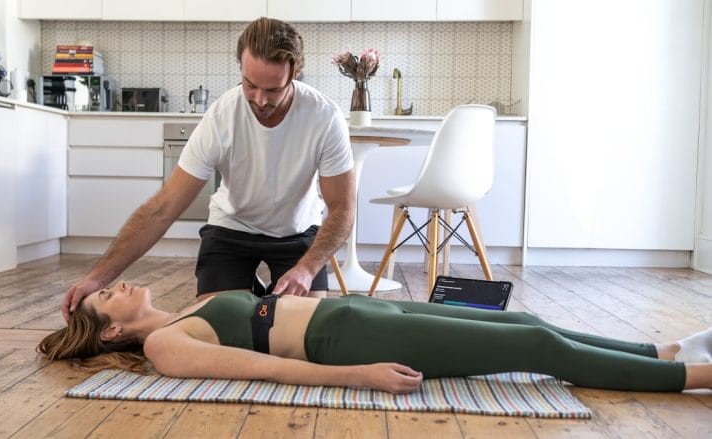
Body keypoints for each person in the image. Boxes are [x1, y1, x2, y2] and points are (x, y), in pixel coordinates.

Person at [61, 17, 356, 321]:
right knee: (223, 324)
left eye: (273, 90)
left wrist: (307, 270)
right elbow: (163, 209)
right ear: (240, 67)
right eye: (250, 85)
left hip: (297, 232)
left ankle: (258, 293)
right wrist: (97, 278)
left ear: (294, 74)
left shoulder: (324, 117)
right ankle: (248, 290)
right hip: (232, 228)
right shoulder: (221, 117)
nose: (259, 100)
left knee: (302, 326)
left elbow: (343, 208)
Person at [39, 280, 712, 394]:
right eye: (107, 296)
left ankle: (655, 352)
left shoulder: (191, 304)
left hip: (358, 311)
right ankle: (693, 378)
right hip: (344, 344)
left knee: (523, 322)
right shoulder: (164, 345)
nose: (117, 285)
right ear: (115, 327)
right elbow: (260, 368)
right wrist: (353, 377)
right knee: (534, 355)